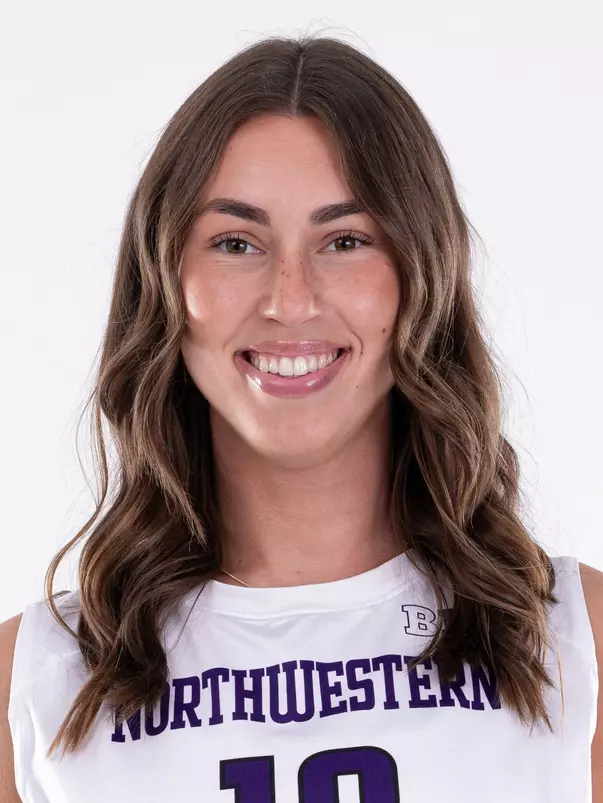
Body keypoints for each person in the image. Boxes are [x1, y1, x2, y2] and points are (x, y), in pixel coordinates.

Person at [1, 32, 602, 803]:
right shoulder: (38, 680)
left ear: (420, 277)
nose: (289, 298)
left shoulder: (572, 643)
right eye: (236, 242)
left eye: (345, 240)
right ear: (163, 283)